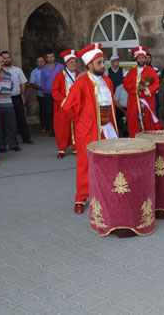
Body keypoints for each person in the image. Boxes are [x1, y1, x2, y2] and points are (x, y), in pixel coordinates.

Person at [62, 43, 118, 214]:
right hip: (89, 130)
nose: (103, 65)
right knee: (85, 164)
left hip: (108, 127)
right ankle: (80, 198)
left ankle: (107, 193)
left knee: (111, 162)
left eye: (103, 62)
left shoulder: (108, 81)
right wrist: (82, 121)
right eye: (99, 63)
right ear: (89, 65)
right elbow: (67, 107)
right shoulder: (80, 83)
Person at [123, 46, 162, 137]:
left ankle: (149, 140)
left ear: (145, 59)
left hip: (147, 99)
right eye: (139, 58)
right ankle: (135, 140)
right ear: (136, 59)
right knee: (133, 120)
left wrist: (145, 89)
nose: (141, 59)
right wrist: (136, 87)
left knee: (148, 121)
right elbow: (126, 84)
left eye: (143, 58)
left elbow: (156, 84)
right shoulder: (131, 72)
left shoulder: (151, 71)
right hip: (134, 100)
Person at [52, 50, 81, 158]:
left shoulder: (80, 75)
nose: (74, 64)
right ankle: (62, 149)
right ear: (66, 64)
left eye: (75, 62)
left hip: (77, 106)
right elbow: (55, 91)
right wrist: (64, 101)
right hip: (64, 106)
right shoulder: (59, 76)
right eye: (71, 62)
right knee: (63, 128)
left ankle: (76, 147)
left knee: (77, 127)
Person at [1, 51, 32, 144]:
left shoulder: (17, 70)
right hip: (4, 99)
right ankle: (8, 141)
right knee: (6, 121)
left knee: (21, 118)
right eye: (4, 58)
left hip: (16, 98)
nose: (7, 59)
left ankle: (26, 138)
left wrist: (22, 95)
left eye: (8, 57)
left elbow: (23, 83)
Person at [0, 54, 20, 153]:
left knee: (11, 126)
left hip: (8, 105)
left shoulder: (9, 74)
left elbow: (11, 87)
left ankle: (13, 145)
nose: (1, 63)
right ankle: (1, 146)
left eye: (2, 61)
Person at [41, 51, 64, 136]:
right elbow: (42, 81)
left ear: (54, 57)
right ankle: (53, 130)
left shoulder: (61, 67)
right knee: (50, 113)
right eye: (48, 57)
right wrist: (44, 90)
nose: (50, 58)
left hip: (59, 94)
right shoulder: (44, 69)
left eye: (52, 56)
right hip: (48, 94)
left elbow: (64, 78)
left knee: (60, 113)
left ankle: (61, 130)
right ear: (46, 59)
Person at [29, 56, 46, 133]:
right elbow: (32, 83)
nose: (40, 63)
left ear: (44, 62)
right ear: (36, 63)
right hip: (41, 94)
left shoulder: (49, 70)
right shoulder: (34, 72)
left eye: (42, 61)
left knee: (52, 110)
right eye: (38, 61)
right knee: (43, 110)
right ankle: (43, 126)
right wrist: (41, 88)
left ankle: (52, 127)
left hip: (51, 93)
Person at [146, 52, 160, 117]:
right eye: (146, 58)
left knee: (155, 111)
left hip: (154, 93)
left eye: (149, 58)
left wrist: (147, 83)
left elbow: (158, 81)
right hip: (144, 94)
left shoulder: (156, 69)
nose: (148, 60)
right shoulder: (141, 70)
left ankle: (155, 127)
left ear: (151, 59)